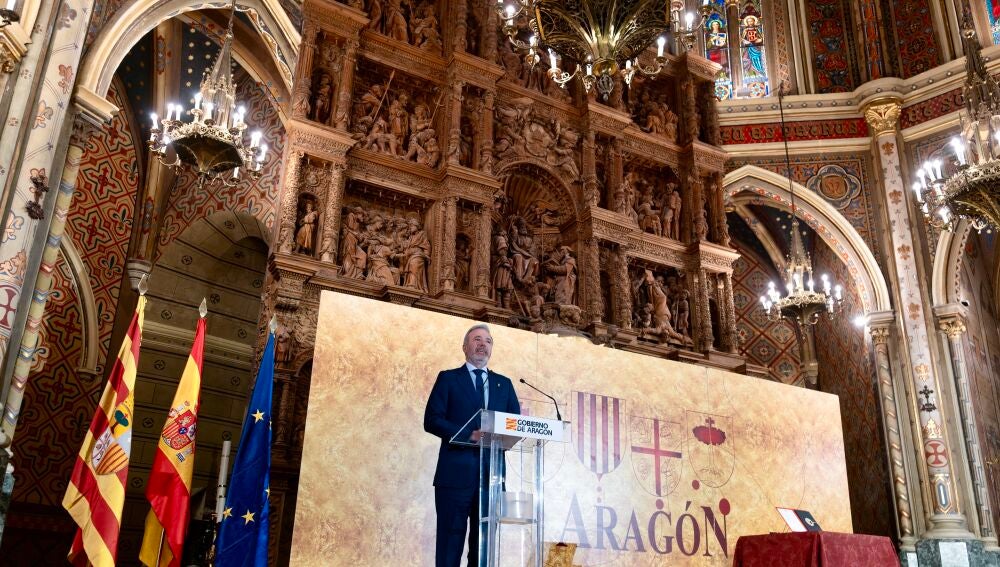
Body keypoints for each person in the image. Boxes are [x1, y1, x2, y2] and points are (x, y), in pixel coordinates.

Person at [423, 324, 521, 567]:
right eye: (477, 339)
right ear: (465, 347)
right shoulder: (448, 379)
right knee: (449, 548)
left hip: (491, 479)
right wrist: (471, 435)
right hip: (454, 477)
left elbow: (515, 425)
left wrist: (506, 437)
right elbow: (432, 420)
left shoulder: (504, 384)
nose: (482, 344)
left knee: (483, 551)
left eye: (488, 341)